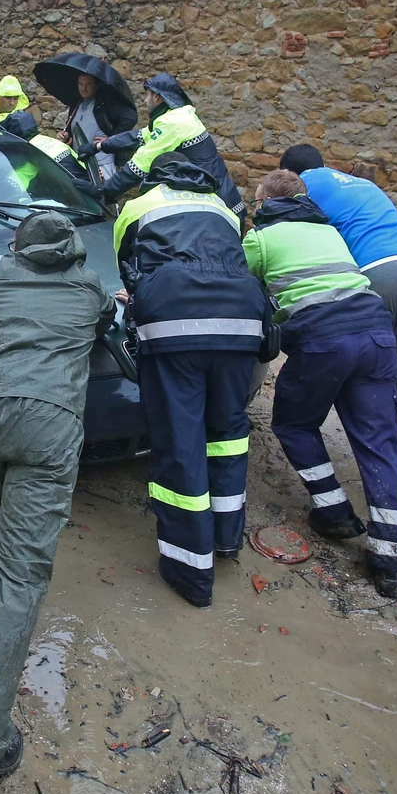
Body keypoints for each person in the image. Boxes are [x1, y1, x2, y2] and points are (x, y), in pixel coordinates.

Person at [0, 211, 116, 790]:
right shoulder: (89, 286)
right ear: (73, 252)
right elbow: (103, 316)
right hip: (46, 423)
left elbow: (17, 270)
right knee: (24, 577)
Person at [114, 153, 272, 607]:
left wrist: (143, 293)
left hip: (175, 323)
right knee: (226, 432)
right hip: (241, 320)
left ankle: (190, 572)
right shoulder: (223, 205)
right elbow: (233, 259)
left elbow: (127, 265)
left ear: (154, 176)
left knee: (180, 439)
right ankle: (225, 540)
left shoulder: (136, 206)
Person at [244, 170, 397, 597]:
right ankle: (390, 560)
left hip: (324, 340)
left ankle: (333, 510)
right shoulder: (330, 232)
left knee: (295, 424)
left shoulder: (260, 239)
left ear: (265, 205)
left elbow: (236, 285)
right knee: (379, 440)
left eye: (254, 203)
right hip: (377, 334)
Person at [279, 145, 397, 513]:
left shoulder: (302, 187)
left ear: (291, 172)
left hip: (377, 270)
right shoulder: (360, 184)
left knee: (374, 380)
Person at [94, 74, 247, 216]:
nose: (145, 101)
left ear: (157, 97)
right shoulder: (178, 116)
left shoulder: (172, 124)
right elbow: (139, 136)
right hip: (226, 203)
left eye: (147, 96)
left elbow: (140, 165)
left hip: (219, 210)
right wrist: (100, 146)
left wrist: (104, 190)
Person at [63, 72, 138, 185]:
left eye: (88, 84)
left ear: (96, 85)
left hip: (102, 164)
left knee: (103, 198)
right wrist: (67, 138)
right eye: (81, 84)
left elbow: (130, 117)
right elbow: (76, 133)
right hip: (80, 165)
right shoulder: (76, 106)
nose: (84, 88)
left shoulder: (104, 105)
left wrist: (112, 139)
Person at [0, 109, 96, 195]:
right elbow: (83, 163)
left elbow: (16, 182)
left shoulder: (27, 151)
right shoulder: (54, 142)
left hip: (71, 198)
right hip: (92, 190)